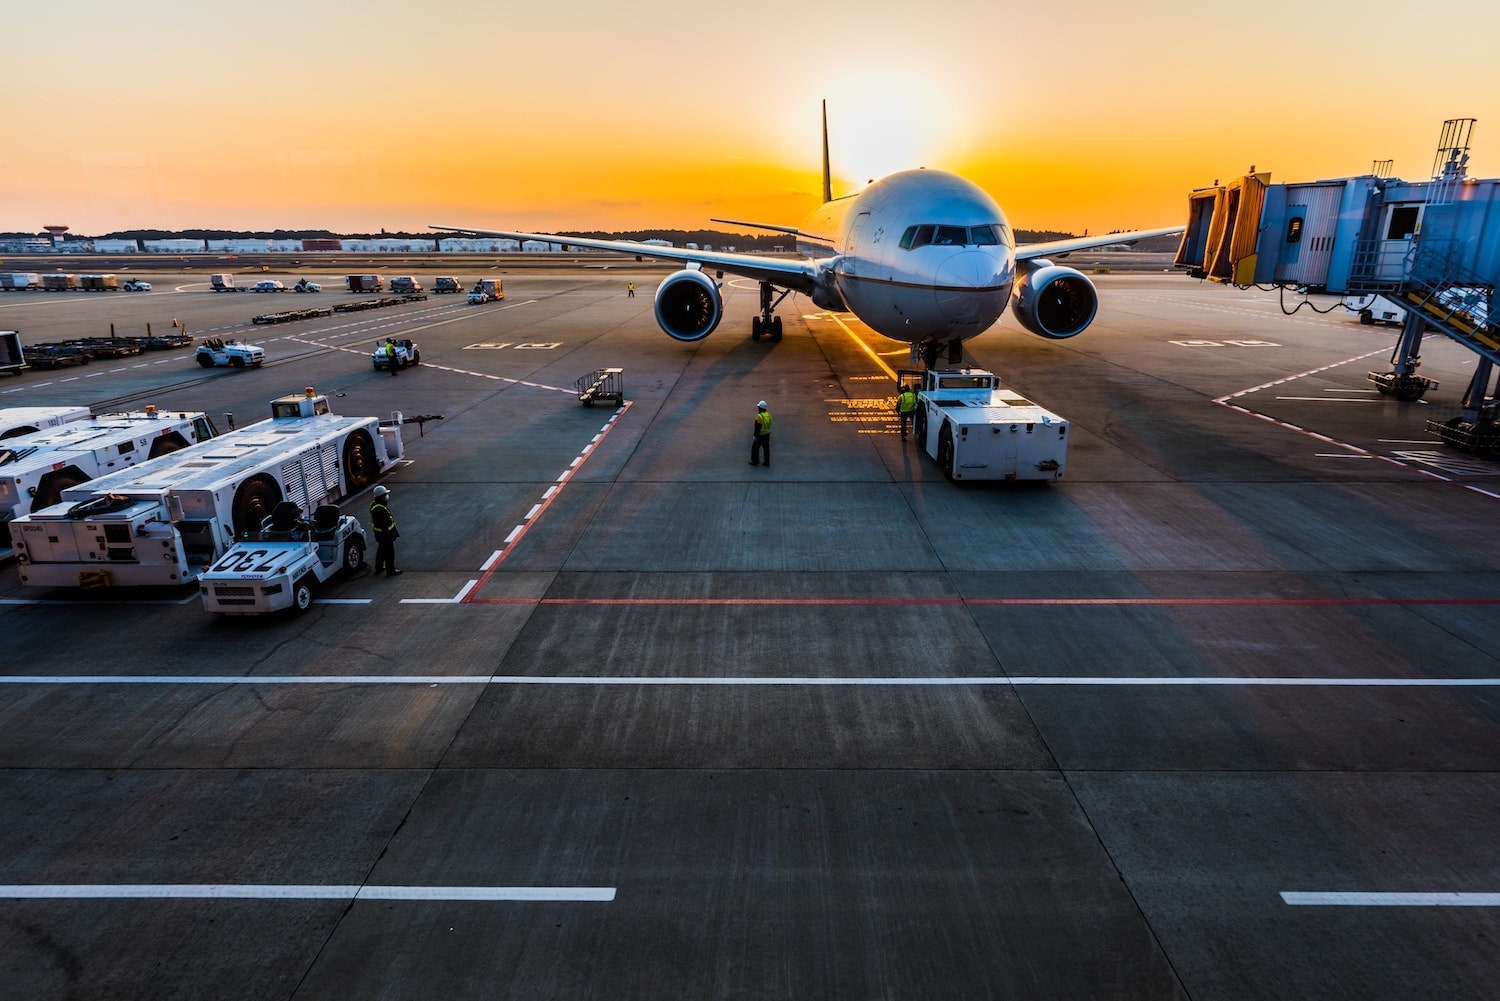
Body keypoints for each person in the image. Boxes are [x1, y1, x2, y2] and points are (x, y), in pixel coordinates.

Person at [369, 484, 400, 576]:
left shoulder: (374, 505)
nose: (386, 497)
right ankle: (390, 570)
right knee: (389, 553)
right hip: (385, 535)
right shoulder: (379, 509)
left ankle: (378, 567)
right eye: (384, 496)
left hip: (379, 534)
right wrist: (390, 535)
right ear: (381, 497)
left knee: (381, 550)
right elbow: (385, 524)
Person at [750, 400, 772, 467]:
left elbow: (757, 427)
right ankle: (766, 462)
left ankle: (755, 461)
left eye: (759, 407)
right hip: (767, 434)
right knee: (766, 449)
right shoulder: (768, 415)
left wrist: (755, 435)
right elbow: (770, 423)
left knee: (755, 448)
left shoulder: (759, 416)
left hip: (760, 435)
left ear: (760, 408)